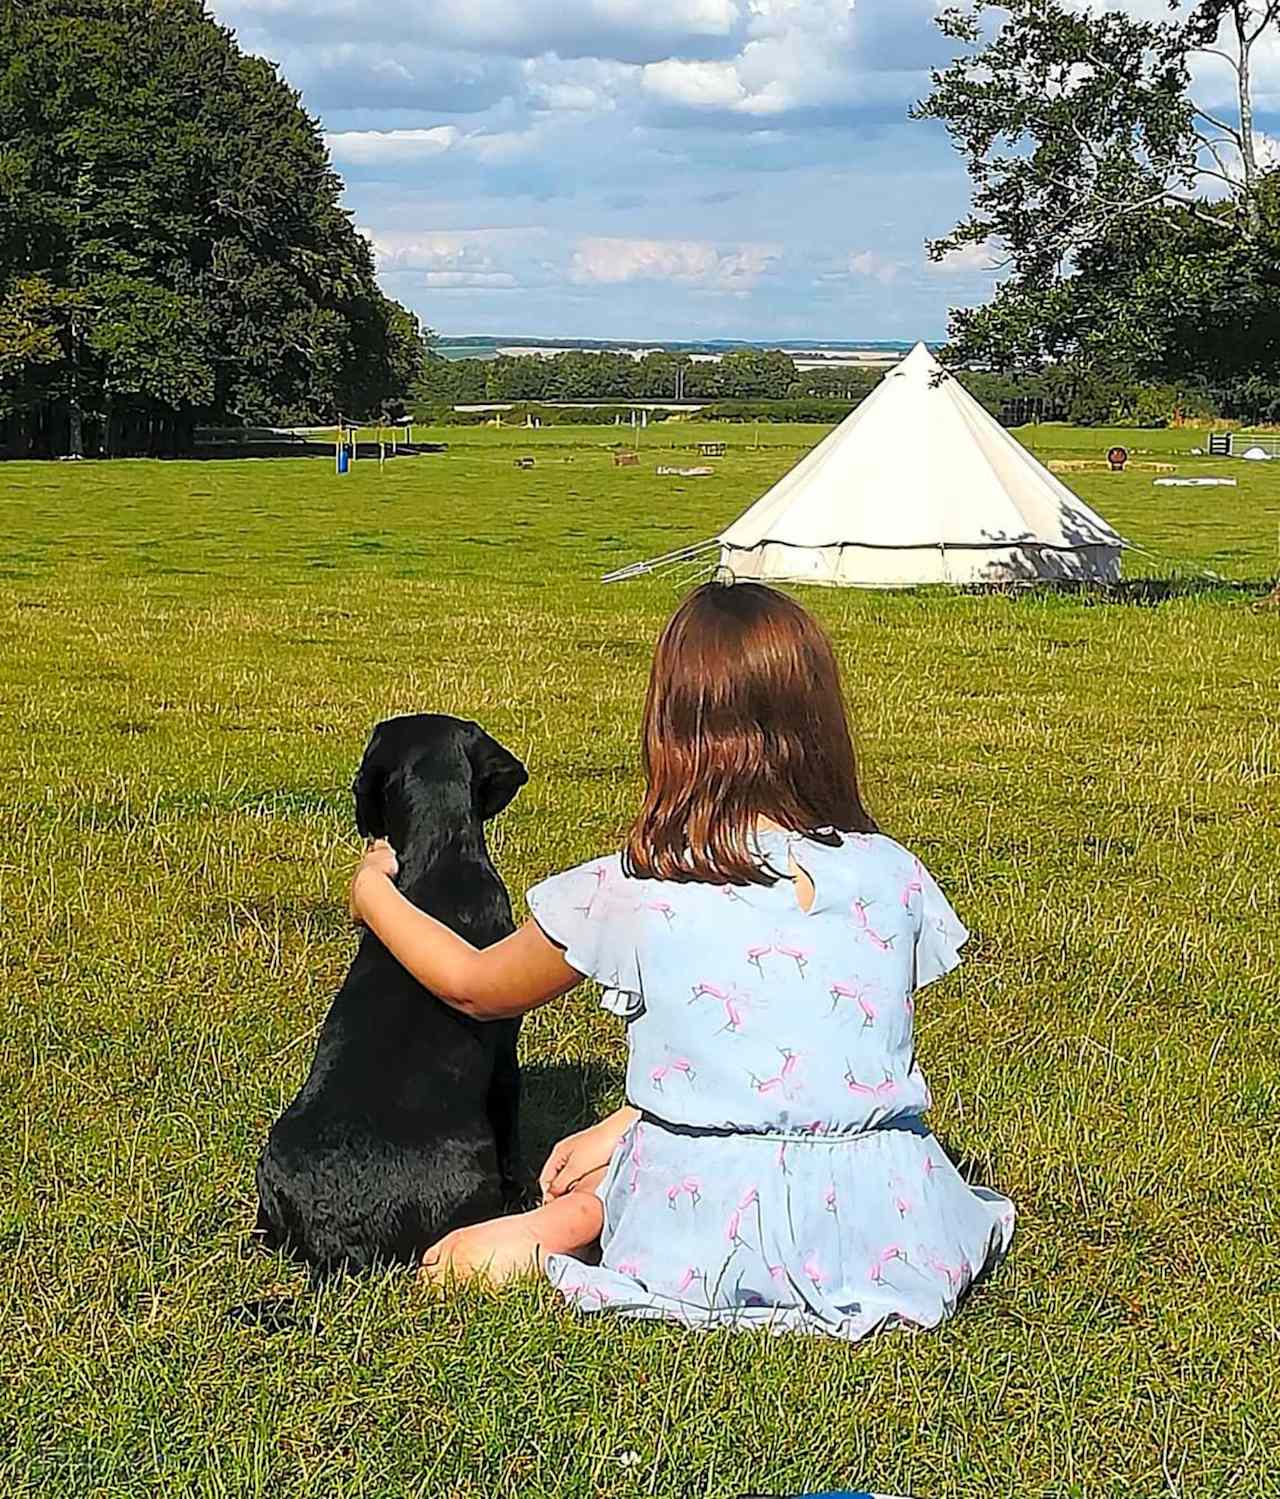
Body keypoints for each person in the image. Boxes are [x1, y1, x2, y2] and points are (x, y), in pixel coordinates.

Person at [348, 580, 1014, 1341]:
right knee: (641, 1154)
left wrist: (375, 893)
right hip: (891, 1220)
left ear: (672, 726)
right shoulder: (892, 874)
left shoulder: (637, 886)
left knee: (642, 1176)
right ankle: (597, 1193)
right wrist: (626, 1120)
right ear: (823, 718)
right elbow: (798, 1060)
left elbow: (473, 985)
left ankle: (557, 1228)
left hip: (710, 1232)